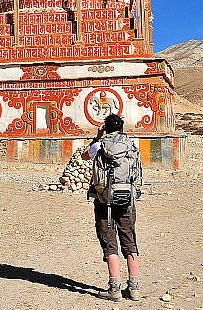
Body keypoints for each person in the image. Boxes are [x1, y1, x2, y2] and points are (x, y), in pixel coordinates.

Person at [81, 114, 141, 301]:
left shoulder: (100, 145)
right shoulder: (131, 144)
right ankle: (134, 288)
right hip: (127, 199)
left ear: (105, 128)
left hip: (104, 199)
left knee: (109, 242)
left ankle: (114, 288)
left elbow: (84, 156)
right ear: (122, 128)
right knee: (129, 240)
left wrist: (98, 136)